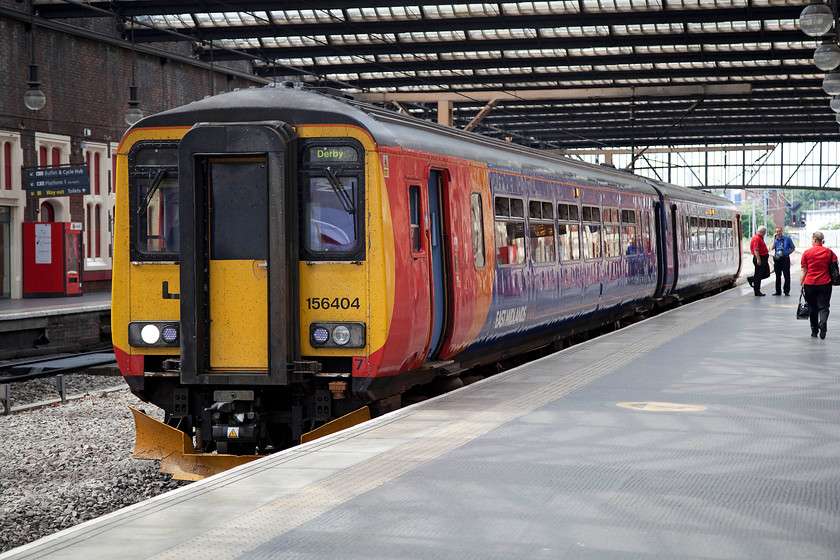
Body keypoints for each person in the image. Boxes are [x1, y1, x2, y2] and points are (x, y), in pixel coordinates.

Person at [800, 231, 838, 339]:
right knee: (824, 306)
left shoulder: (807, 253)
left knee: (812, 308)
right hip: (825, 283)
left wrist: (800, 284)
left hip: (810, 283)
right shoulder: (829, 252)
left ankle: (814, 330)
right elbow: (835, 264)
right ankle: (822, 322)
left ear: (814, 239)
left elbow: (803, 270)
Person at [770, 226, 795, 296]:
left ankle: (786, 291)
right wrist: (774, 239)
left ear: (782, 231)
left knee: (786, 275)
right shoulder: (775, 240)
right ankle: (778, 291)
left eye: (779, 231)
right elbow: (771, 248)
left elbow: (793, 248)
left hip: (785, 259)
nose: (778, 233)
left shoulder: (787, 239)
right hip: (777, 259)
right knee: (777, 276)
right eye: (777, 232)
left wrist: (787, 253)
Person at [746, 226, 769, 296]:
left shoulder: (759, 238)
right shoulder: (757, 238)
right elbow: (756, 249)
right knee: (758, 275)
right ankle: (757, 290)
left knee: (766, 273)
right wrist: (758, 259)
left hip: (763, 258)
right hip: (760, 258)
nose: (765, 233)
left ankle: (753, 279)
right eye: (765, 232)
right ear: (762, 232)